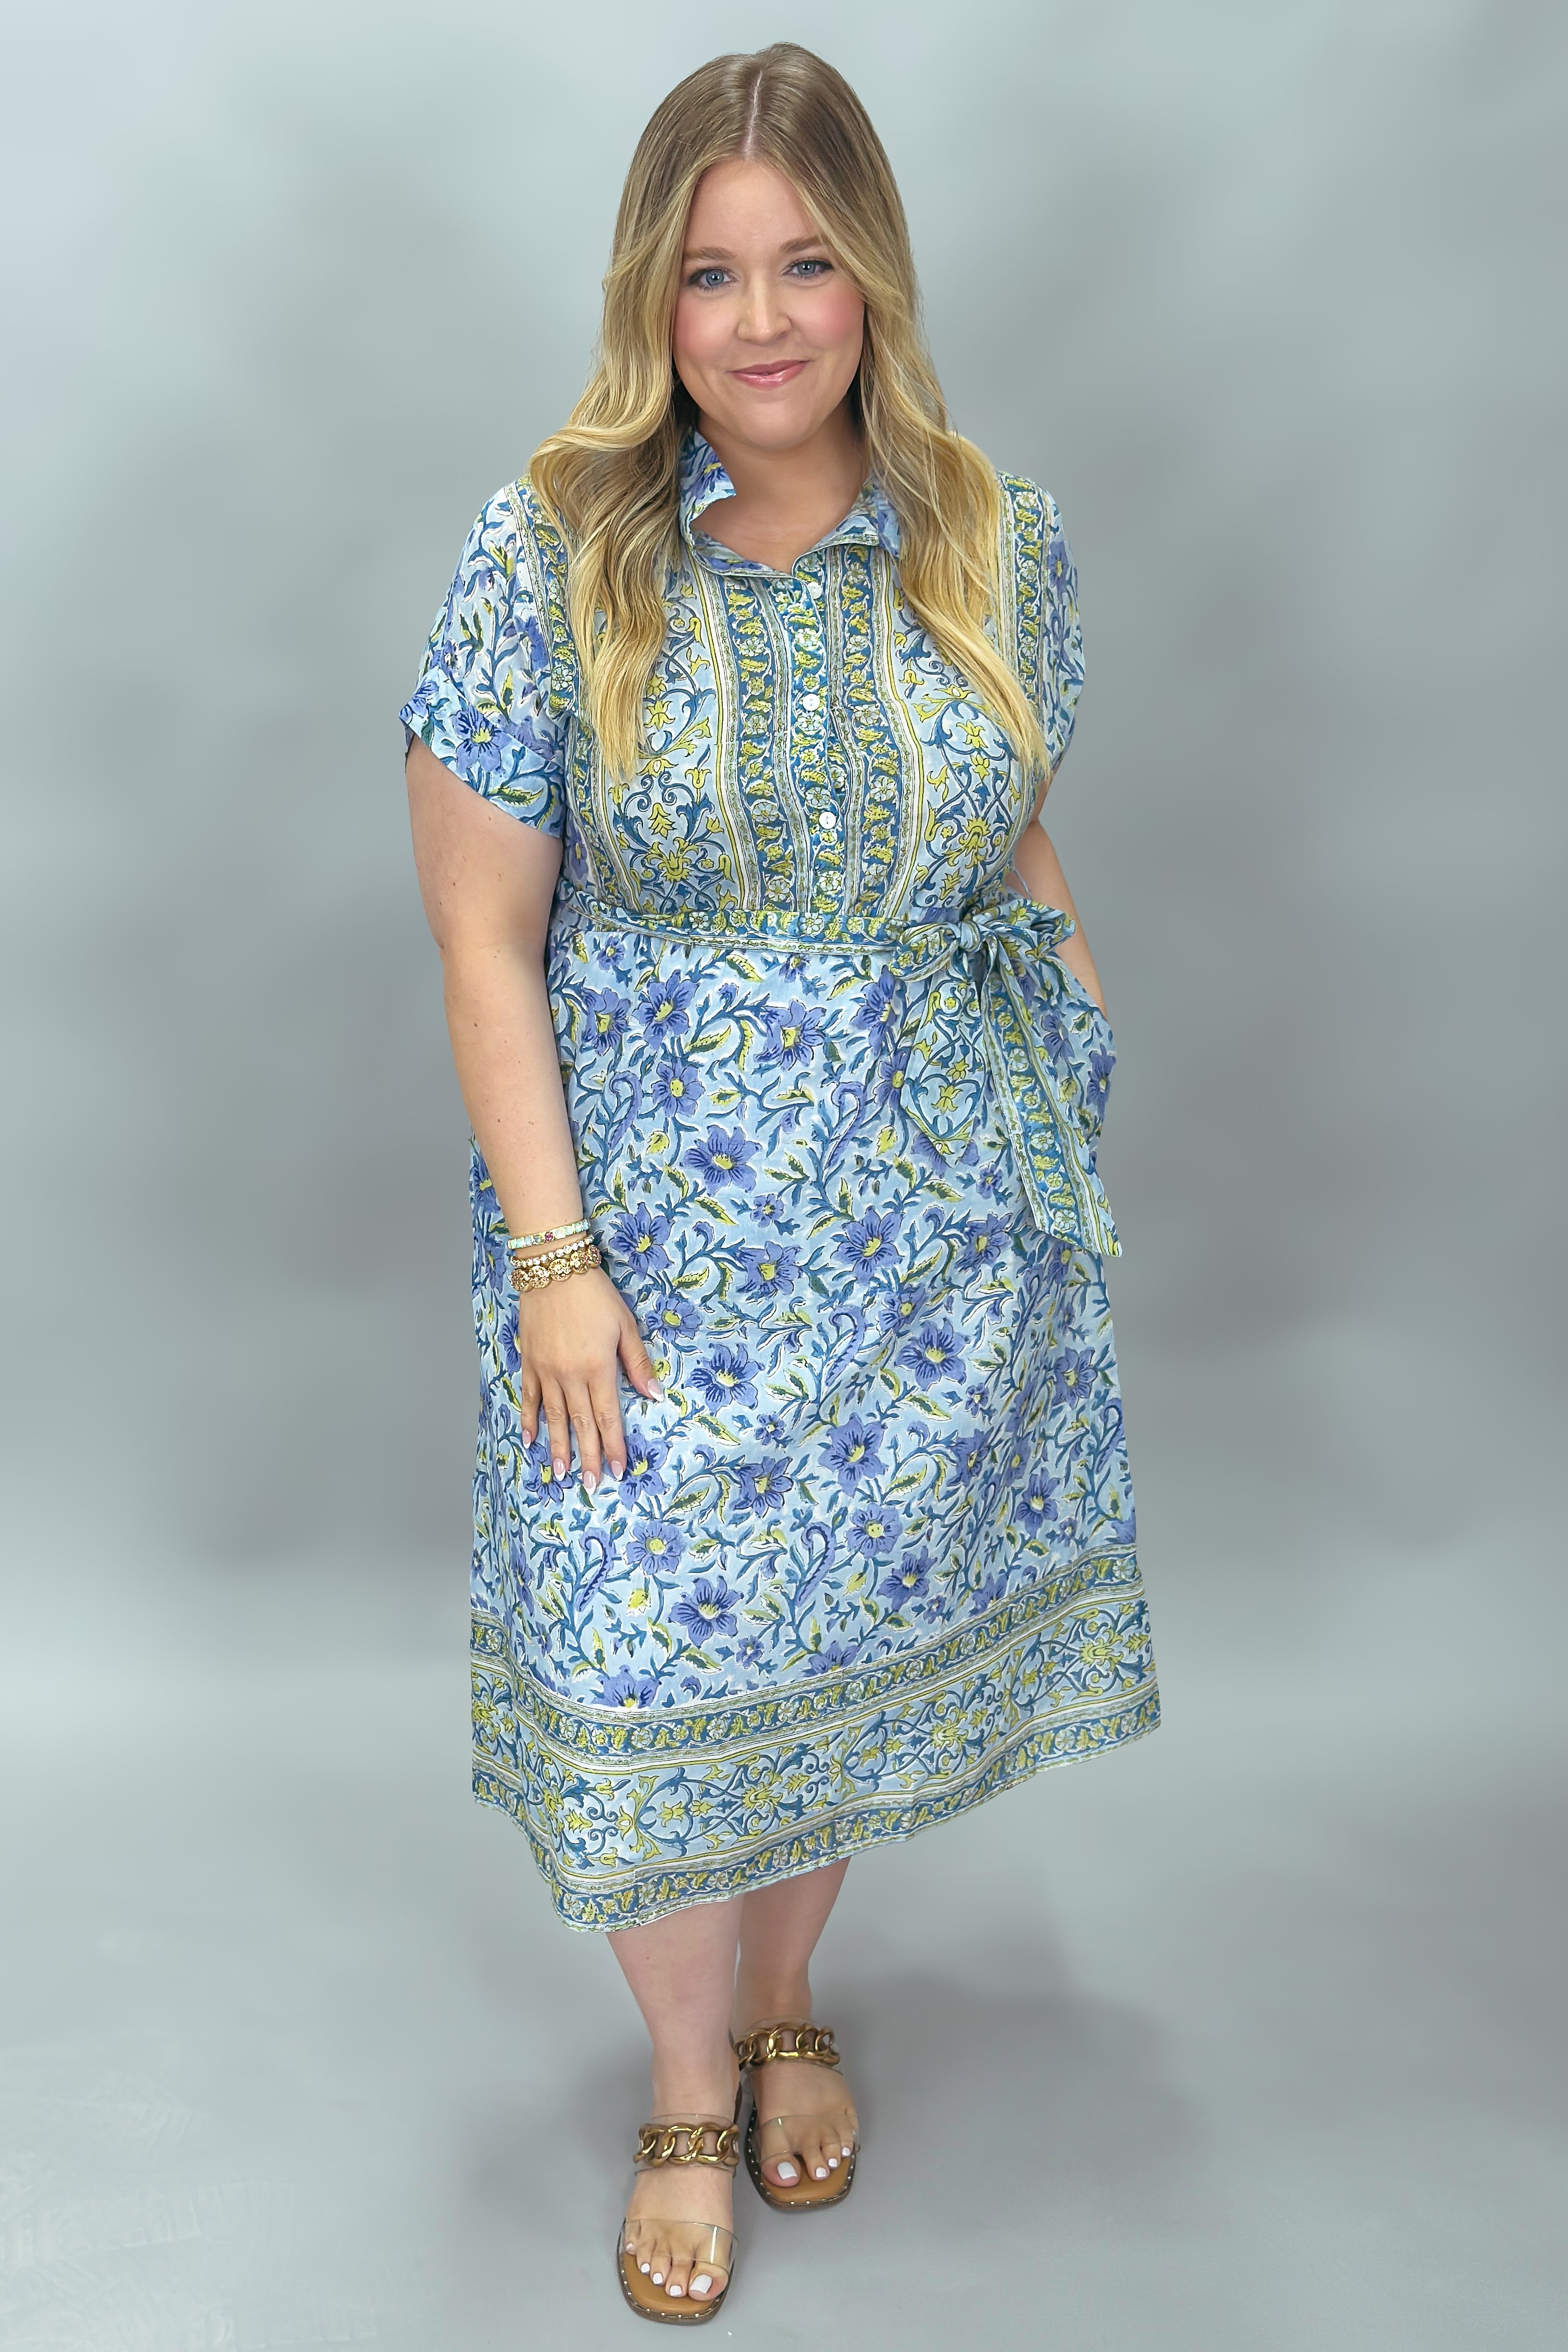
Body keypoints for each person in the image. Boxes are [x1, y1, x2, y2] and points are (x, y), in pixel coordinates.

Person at [403, 41, 1159, 2323]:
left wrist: (1072, 1071)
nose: (759, 320)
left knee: (843, 1638)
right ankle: (679, 2079)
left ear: (873, 282)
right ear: (651, 295)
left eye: (806, 264)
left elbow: (1011, 835)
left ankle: (786, 1996)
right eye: (711, 273)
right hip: (649, 1240)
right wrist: (556, 1259)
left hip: (928, 1232)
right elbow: (482, 936)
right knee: (651, 1646)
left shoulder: (992, 538)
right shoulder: (553, 556)